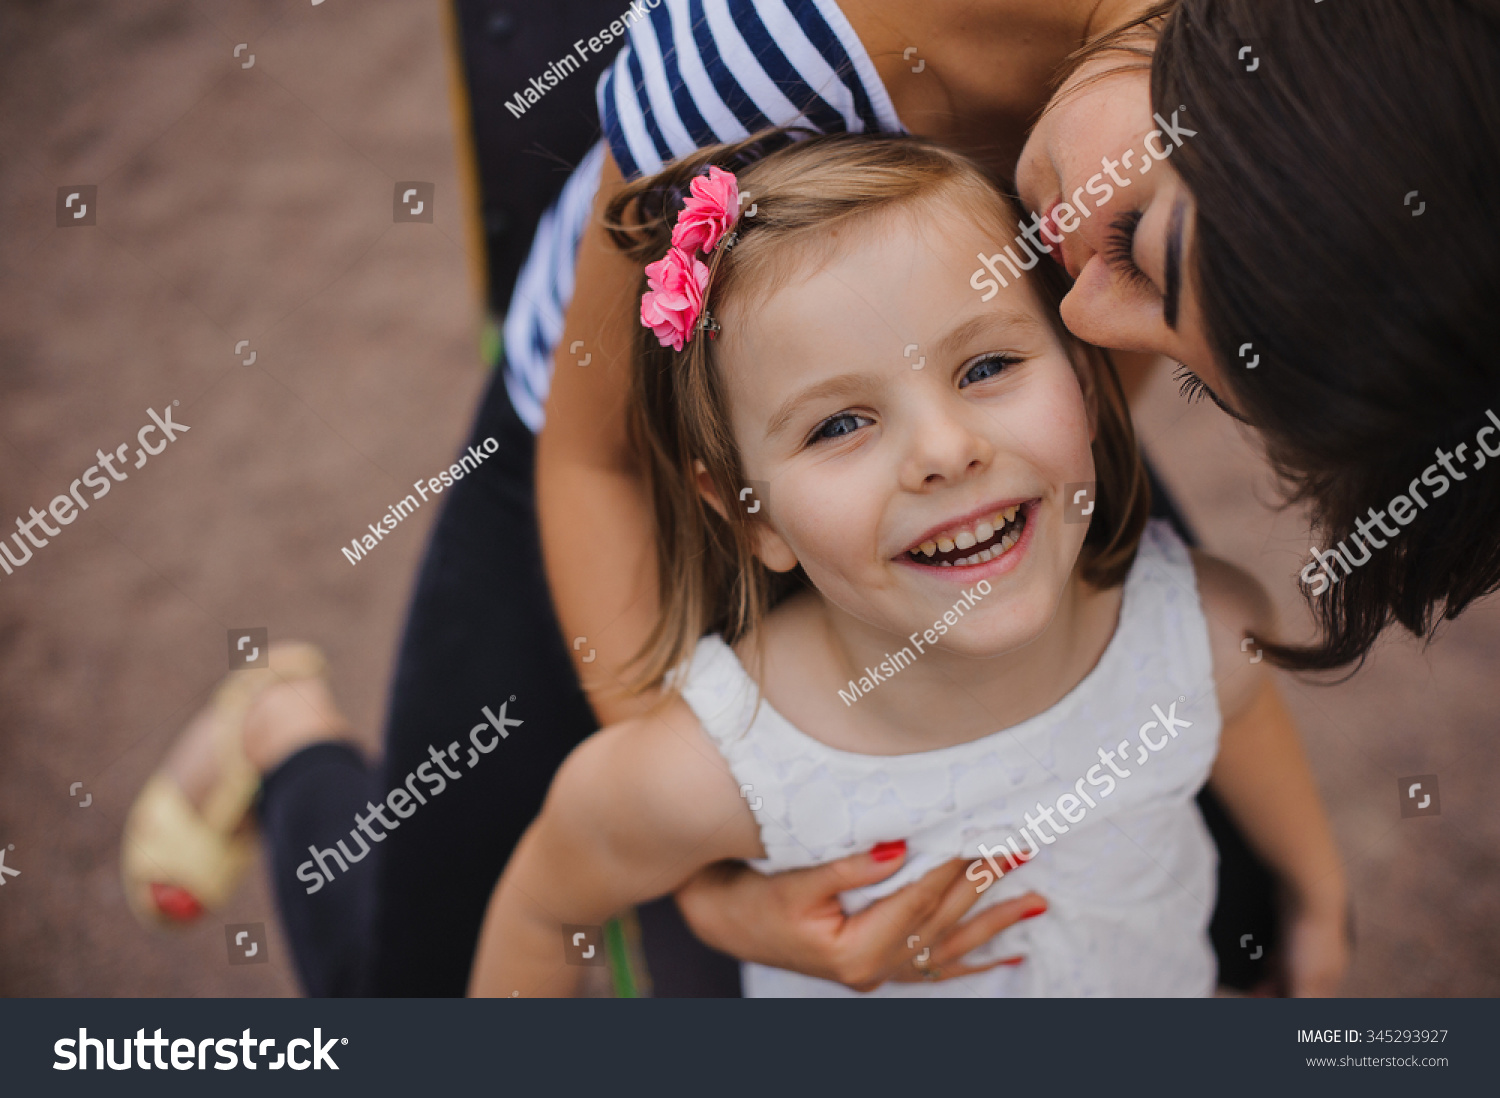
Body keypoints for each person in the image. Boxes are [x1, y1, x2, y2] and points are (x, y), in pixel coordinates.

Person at [122, 0, 1496, 996]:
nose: (1091, 309)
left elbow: (1076, 384)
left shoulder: (1087, 287)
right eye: (1136, 247)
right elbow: (599, 463)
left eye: (1168, 350)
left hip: (940, 442)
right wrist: (729, 876)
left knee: (1237, 908)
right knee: (412, 997)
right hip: (630, 453)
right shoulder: (746, 53)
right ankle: (288, 737)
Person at [468, 131, 1348, 997]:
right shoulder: (709, 770)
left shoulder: (1200, 629)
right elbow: (546, 911)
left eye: (989, 364)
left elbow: (1243, 712)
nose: (943, 449)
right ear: (749, 513)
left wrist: (1317, 901)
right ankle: (318, 743)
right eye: (840, 424)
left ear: (1084, 381)